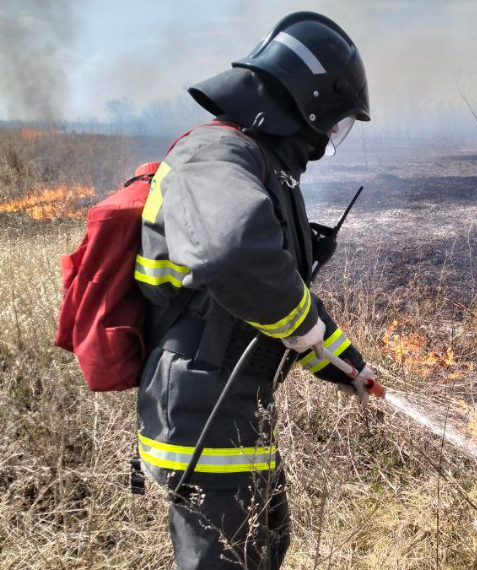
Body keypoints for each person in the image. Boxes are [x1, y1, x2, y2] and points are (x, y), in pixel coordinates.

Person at [134, 12, 377, 569]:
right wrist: (306, 328)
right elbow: (234, 254)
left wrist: (351, 369)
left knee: (267, 546)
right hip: (200, 412)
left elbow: (284, 295)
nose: (327, 139)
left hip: (235, 405)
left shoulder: (260, 164)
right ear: (307, 101)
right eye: (334, 122)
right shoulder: (215, 154)